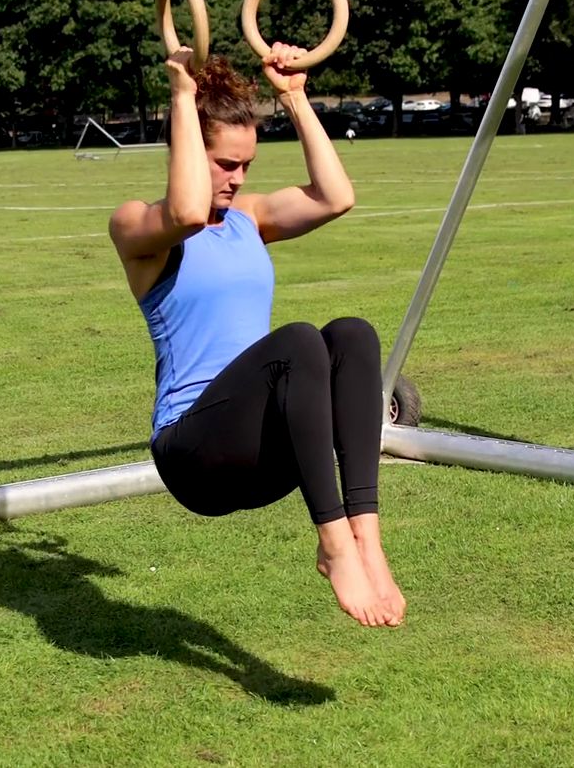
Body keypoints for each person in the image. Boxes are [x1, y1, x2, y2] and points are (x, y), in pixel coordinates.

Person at [109, 41, 406, 629]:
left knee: (352, 335)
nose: (237, 179)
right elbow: (187, 211)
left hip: (262, 454)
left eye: (247, 166)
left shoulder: (248, 219)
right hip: (193, 454)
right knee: (297, 342)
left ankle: (365, 539)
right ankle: (334, 546)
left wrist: (294, 97)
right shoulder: (138, 226)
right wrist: (181, 94)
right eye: (225, 165)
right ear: (188, 148)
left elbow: (335, 197)